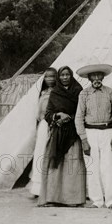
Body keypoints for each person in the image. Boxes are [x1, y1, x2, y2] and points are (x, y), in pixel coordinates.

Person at [39, 66, 86, 207]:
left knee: (72, 165)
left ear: (71, 76)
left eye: (67, 75)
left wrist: (69, 117)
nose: (64, 77)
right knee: (56, 165)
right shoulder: (55, 93)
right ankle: (53, 198)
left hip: (73, 133)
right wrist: (58, 116)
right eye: (62, 75)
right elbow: (47, 114)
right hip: (58, 133)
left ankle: (73, 199)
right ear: (59, 77)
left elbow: (83, 111)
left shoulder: (79, 91)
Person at [75, 63, 112, 209]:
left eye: (99, 75)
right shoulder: (84, 94)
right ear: (88, 78)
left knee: (108, 166)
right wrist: (83, 139)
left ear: (103, 76)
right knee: (92, 167)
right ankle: (97, 200)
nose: (96, 78)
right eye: (93, 76)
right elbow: (79, 117)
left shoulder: (111, 93)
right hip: (90, 132)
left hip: (107, 131)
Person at [29, 67, 57, 197]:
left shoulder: (59, 92)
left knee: (52, 155)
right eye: (47, 77)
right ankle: (37, 188)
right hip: (43, 125)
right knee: (40, 154)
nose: (50, 79)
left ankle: (51, 188)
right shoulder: (42, 92)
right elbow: (37, 112)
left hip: (55, 124)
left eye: (52, 76)